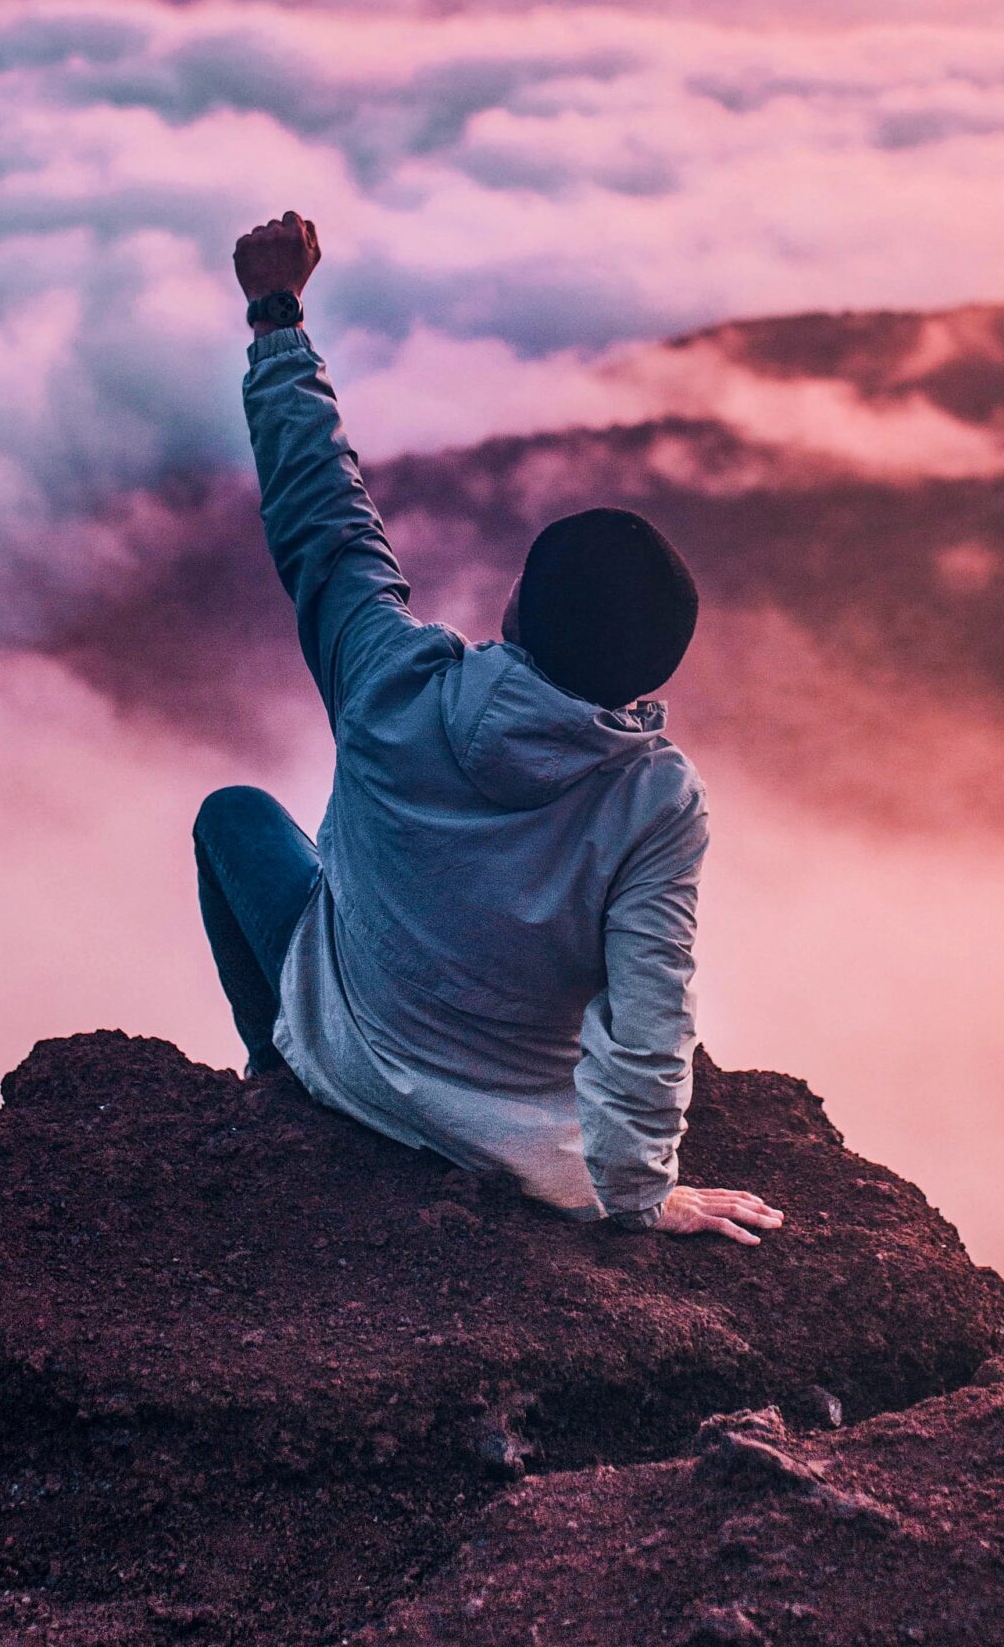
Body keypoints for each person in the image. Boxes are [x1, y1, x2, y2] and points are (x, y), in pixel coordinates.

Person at [191, 209, 783, 1245]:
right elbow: (653, 1020)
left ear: (517, 609)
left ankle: (274, 1068)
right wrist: (640, 1194)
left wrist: (275, 318)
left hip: (349, 1058)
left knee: (234, 816)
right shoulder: (655, 799)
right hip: (514, 1142)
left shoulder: (389, 679)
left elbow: (323, 520)